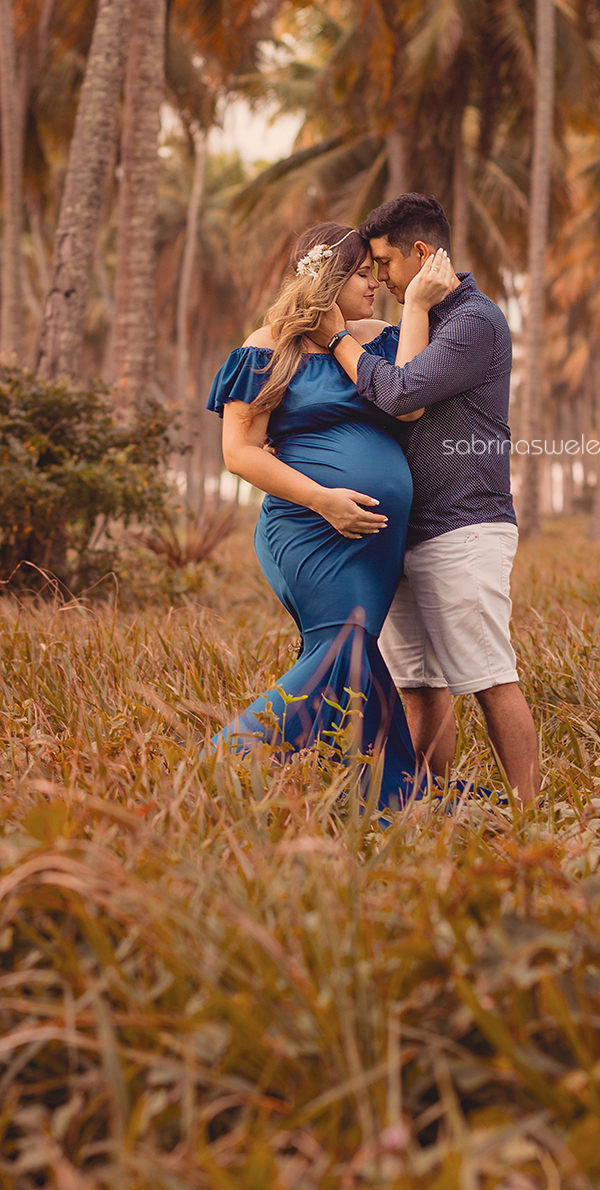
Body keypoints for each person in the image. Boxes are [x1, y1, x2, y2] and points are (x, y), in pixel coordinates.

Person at [205, 222, 455, 810]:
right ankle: (222, 766)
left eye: (376, 272)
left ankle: (386, 793)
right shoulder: (267, 347)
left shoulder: (377, 340)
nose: (375, 284)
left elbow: (411, 402)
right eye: (363, 274)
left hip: (373, 543)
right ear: (329, 279)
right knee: (343, 647)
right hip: (307, 528)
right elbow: (238, 452)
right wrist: (323, 499)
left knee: (358, 656)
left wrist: (415, 305)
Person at [309, 194, 540, 805]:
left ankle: (529, 816)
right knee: (420, 685)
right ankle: (430, 800)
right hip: (407, 534)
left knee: (489, 679)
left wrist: (337, 339)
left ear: (420, 253)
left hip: (463, 527)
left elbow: (402, 392)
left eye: (385, 264)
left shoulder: (472, 323)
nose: (379, 279)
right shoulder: (420, 322)